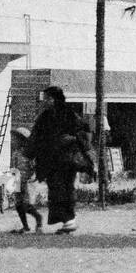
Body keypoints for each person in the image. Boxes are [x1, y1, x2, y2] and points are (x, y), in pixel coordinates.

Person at [30, 85, 92, 234]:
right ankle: (69, 220)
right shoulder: (71, 114)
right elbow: (85, 133)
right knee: (67, 188)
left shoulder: (47, 116)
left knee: (58, 190)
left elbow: (37, 138)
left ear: (52, 99)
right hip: (70, 160)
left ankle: (69, 221)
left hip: (56, 161)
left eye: (45, 99)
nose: (43, 102)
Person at [8, 127, 43, 233]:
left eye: (16, 138)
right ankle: (25, 226)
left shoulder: (28, 153)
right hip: (18, 181)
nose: (13, 140)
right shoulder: (15, 152)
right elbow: (13, 167)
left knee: (26, 204)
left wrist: (32, 177)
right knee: (18, 205)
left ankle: (38, 219)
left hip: (26, 181)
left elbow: (34, 166)